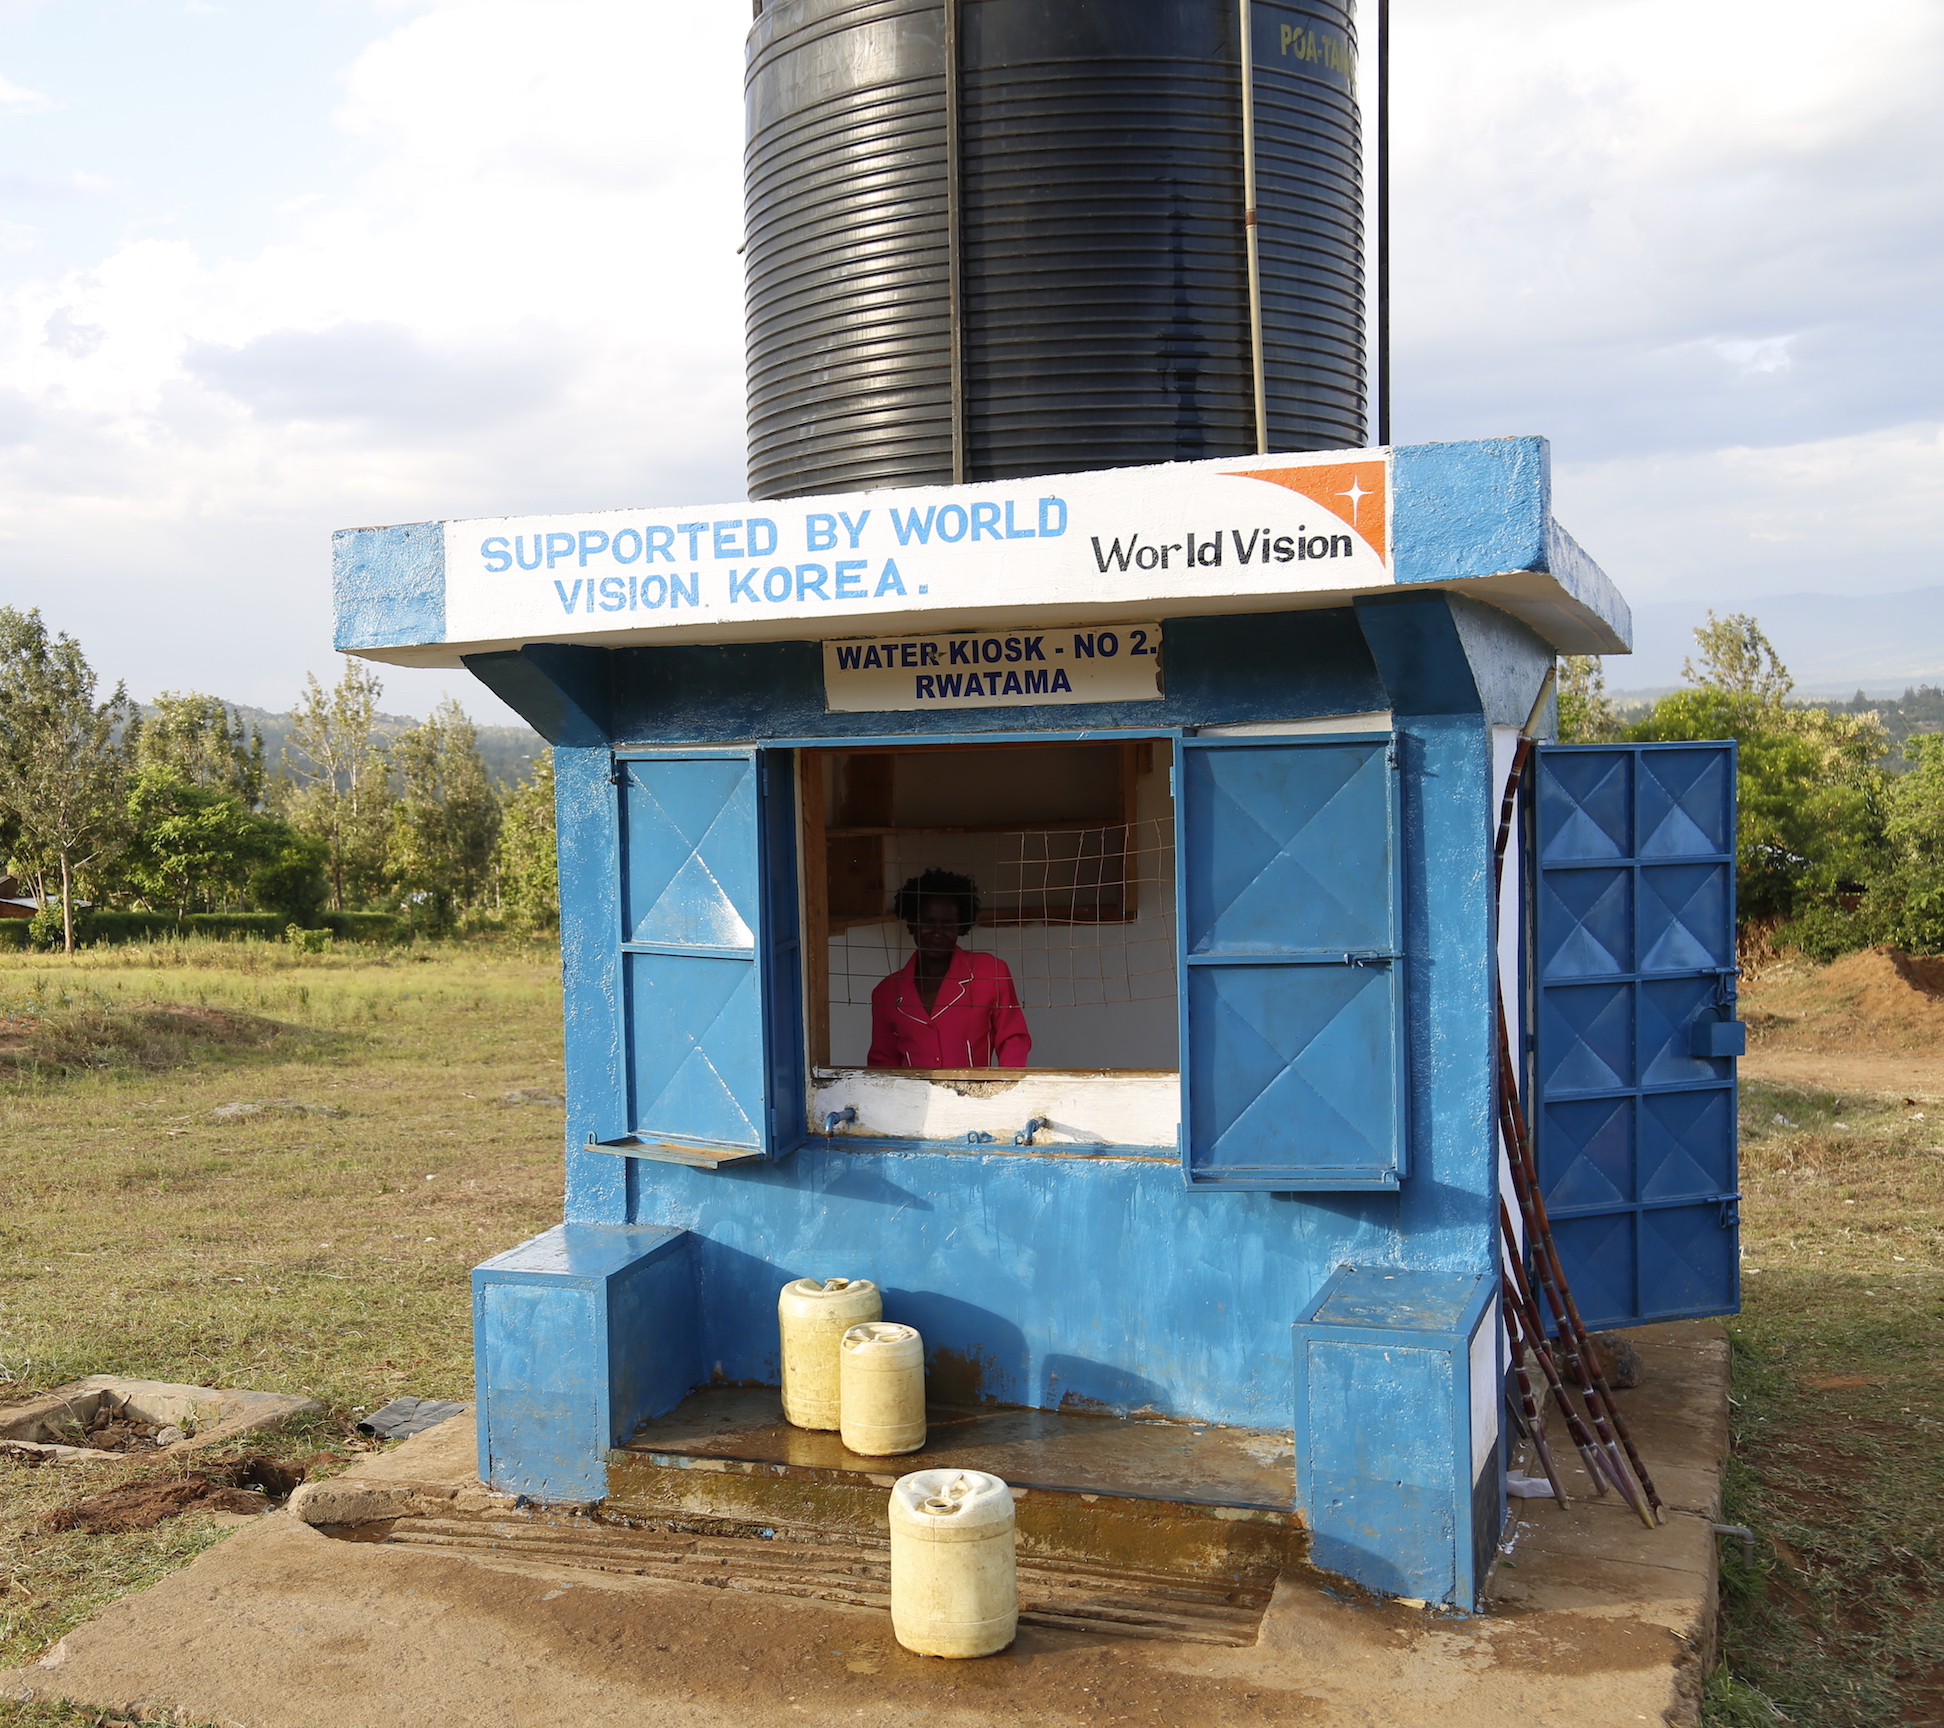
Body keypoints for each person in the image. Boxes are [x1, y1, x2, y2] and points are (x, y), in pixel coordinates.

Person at [867, 869, 1031, 1069]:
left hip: (976, 1098)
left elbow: (1013, 1039)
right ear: (912, 922)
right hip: (911, 1100)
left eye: (948, 924)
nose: (937, 932)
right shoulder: (887, 992)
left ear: (961, 926)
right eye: (928, 922)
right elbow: (882, 1061)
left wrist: (1005, 1090)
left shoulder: (989, 972)